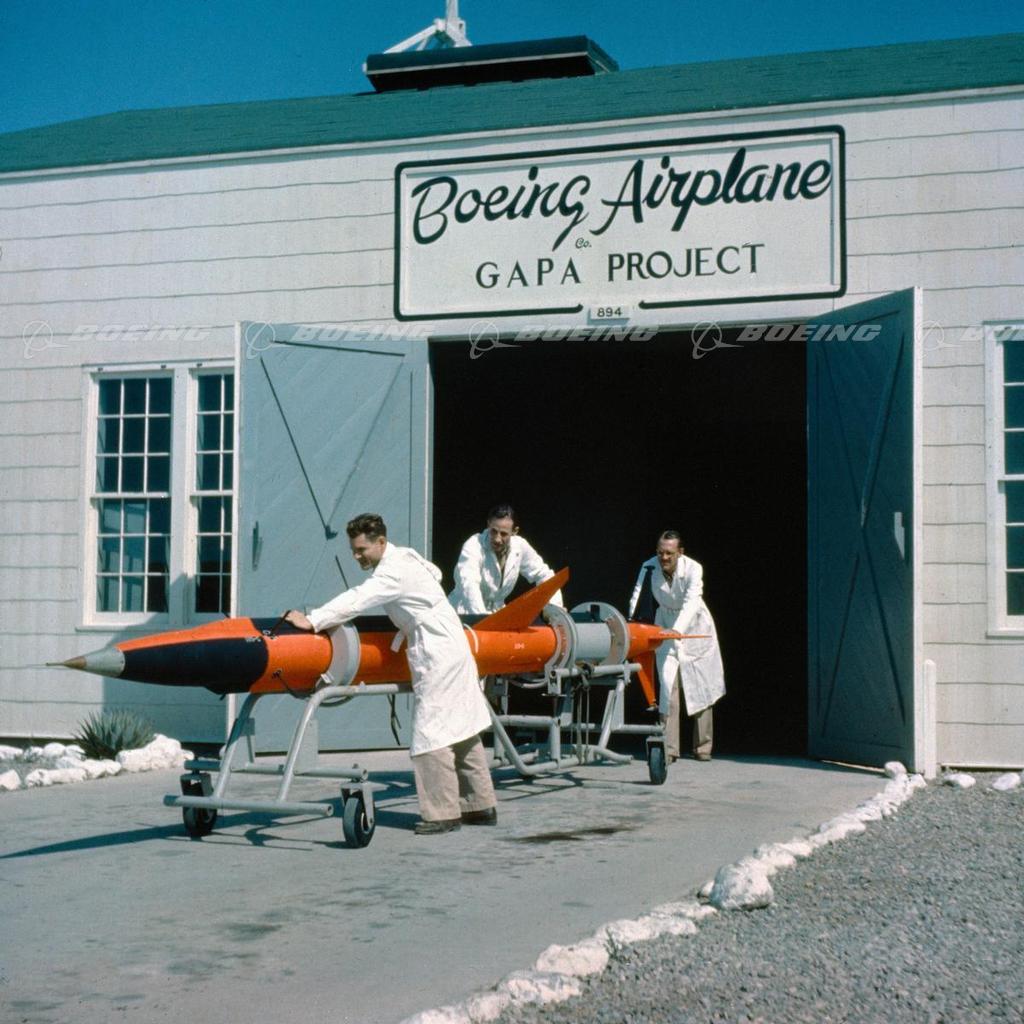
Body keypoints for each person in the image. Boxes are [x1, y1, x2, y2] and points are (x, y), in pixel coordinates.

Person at [285, 513, 497, 835]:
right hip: (453, 643)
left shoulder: (392, 572)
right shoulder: (406, 557)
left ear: (381, 542)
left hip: (436, 649)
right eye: (353, 551)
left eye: (361, 550)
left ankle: (442, 814)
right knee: (462, 726)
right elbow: (436, 573)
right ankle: (479, 805)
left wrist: (314, 619)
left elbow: (359, 599)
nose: (357, 557)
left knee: (431, 733)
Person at [628, 531, 725, 762]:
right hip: (665, 623)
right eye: (660, 552)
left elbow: (692, 602)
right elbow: (637, 595)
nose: (664, 557)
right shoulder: (649, 567)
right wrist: (631, 622)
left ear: (680, 552)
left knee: (701, 687)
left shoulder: (694, 568)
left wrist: (678, 629)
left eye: (669, 553)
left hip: (695, 626)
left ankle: (703, 747)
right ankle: (669, 748)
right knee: (667, 684)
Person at [448, 503, 562, 614]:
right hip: (463, 613)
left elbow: (545, 575)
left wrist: (555, 610)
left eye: (503, 534)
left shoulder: (520, 546)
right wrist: (482, 619)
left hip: (496, 615)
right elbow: (469, 585)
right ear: (488, 525)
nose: (497, 539)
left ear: (514, 531)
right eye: (493, 531)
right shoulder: (474, 545)